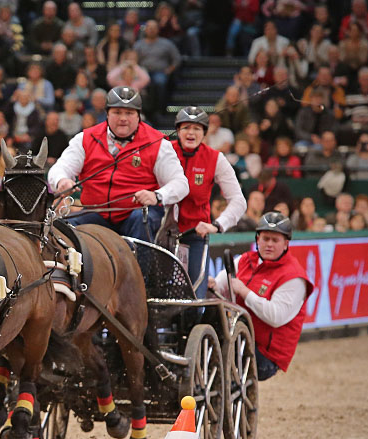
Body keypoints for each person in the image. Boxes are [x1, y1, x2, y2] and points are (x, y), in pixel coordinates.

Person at [48, 86, 189, 241]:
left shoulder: (158, 143)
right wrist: (62, 180)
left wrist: (157, 196)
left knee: (142, 219)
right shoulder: (85, 138)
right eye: (117, 112)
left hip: (137, 214)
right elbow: (60, 168)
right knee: (64, 228)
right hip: (96, 214)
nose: (123, 118)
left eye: (129, 113)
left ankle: (142, 266)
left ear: (138, 116)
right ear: (107, 114)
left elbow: (181, 184)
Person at [210, 212, 314, 380]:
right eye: (265, 239)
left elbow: (276, 317)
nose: (269, 245)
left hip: (266, 355)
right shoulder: (245, 260)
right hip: (240, 338)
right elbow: (221, 284)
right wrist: (213, 285)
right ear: (258, 239)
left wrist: (244, 292)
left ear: (286, 244)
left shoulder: (294, 277)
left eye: (275, 240)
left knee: (219, 349)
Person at [170, 107, 246, 298]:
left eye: (197, 128)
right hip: (161, 233)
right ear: (177, 131)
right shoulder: (164, 151)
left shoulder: (215, 158)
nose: (191, 133)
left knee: (195, 295)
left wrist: (217, 225)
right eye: (186, 127)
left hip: (194, 233)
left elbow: (238, 201)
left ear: (205, 132)